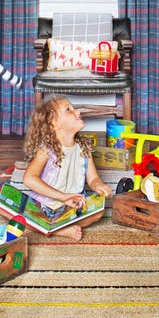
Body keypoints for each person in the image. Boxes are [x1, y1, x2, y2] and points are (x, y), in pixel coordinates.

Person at [21, 97, 109, 242]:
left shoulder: (83, 148)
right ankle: (59, 229)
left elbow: (93, 178)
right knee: (7, 210)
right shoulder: (46, 150)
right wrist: (62, 197)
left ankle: (50, 227)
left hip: (71, 207)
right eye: (68, 110)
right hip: (44, 206)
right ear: (53, 124)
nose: (77, 111)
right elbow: (29, 178)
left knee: (98, 213)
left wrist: (99, 186)